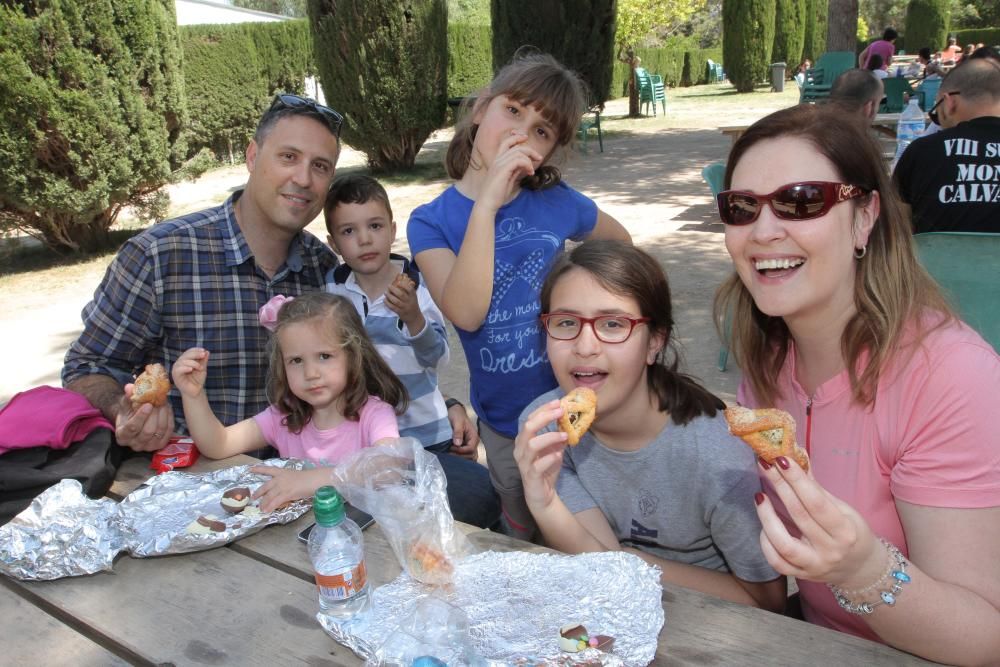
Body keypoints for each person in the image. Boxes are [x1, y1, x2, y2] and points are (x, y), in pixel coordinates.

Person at [713, 103, 1000, 664]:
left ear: (864, 216)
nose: (764, 231)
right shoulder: (767, 356)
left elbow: (985, 637)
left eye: (801, 201)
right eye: (742, 208)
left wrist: (862, 570)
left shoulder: (952, 376)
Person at [407, 52, 631, 541]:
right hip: (507, 425)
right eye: (513, 111)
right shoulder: (432, 221)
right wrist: (487, 201)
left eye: (542, 131)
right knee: (524, 527)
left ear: (548, 153)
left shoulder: (556, 202)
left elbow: (621, 243)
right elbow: (466, 312)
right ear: (481, 108)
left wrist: (580, 289)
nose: (522, 134)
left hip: (578, 407)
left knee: (586, 528)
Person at [62, 94, 343, 453]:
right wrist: (123, 408)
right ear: (253, 156)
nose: (303, 178)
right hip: (187, 483)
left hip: (300, 487)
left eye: (320, 166)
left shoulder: (325, 271)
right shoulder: (160, 256)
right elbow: (87, 365)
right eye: (288, 157)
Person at [514, 240, 785, 611]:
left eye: (613, 324)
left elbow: (768, 603)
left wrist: (629, 560)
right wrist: (544, 506)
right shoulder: (546, 427)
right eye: (565, 323)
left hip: (709, 624)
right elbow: (598, 562)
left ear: (655, 342)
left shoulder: (720, 458)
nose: (585, 345)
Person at [323, 173, 500, 528]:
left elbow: (436, 357)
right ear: (333, 243)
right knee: (391, 523)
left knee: (444, 518)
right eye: (348, 231)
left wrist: (413, 318)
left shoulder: (418, 289)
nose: (364, 239)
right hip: (366, 440)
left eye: (374, 226)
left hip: (427, 433)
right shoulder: (332, 296)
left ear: (391, 229)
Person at [171, 292, 406, 511]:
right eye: (296, 361)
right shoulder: (283, 417)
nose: (311, 373)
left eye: (324, 356)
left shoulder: (375, 415)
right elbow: (218, 444)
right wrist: (193, 396)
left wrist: (310, 480)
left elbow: (388, 467)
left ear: (354, 356)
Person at [894, 59, 1000, 233]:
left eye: (937, 111)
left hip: (933, 259)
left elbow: (897, 229)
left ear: (950, 102)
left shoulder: (921, 152)